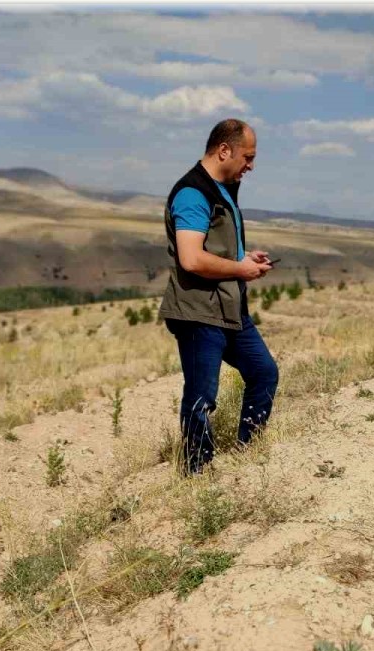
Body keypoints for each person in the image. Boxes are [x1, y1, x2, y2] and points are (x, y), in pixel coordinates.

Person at [159, 119, 279, 475]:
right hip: (198, 311)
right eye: (248, 156)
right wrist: (240, 270)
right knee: (201, 397)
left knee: (264, 372)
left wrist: (244, 259)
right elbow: (192, 258)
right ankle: (197, 471)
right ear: (224, 150)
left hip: (229, 308)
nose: (251, 165)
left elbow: (216, 249)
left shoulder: (224, 188)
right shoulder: (193, 193)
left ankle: (247, 454)